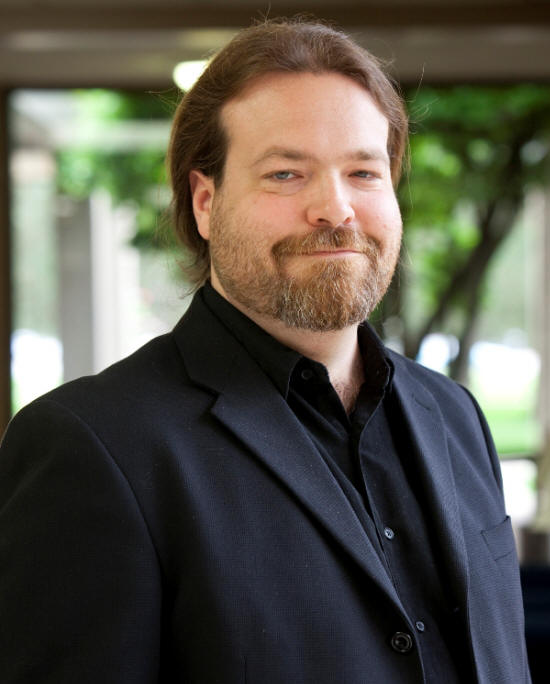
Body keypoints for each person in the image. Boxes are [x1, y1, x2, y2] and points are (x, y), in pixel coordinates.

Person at [0, 18, 530, 684]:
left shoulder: (456, 417)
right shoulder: (89, 446)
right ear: (205, 203)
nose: (335, 209)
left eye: (363, 172)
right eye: (286, 173)